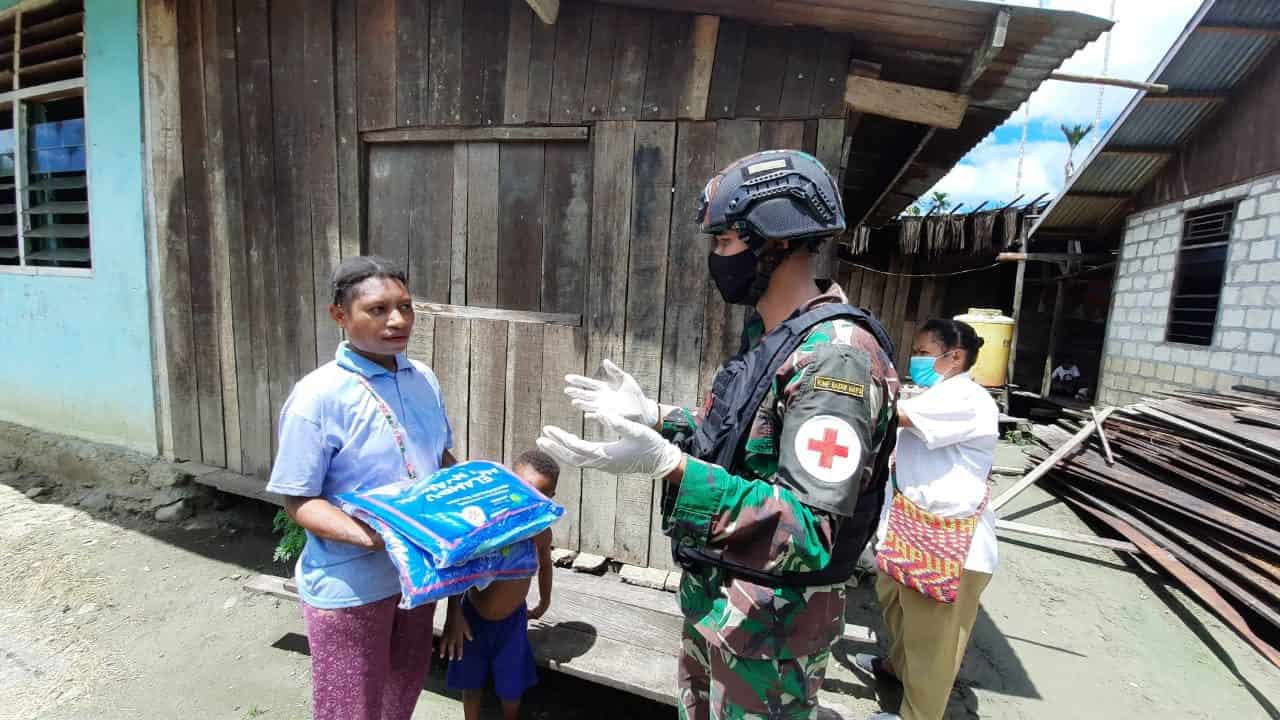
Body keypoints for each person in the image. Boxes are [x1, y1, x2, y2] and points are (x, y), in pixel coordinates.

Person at [537, 150, 900, 720]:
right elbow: (739, 442)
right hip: (724, 609)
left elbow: (808, 530)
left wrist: (672, 467)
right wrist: (658, 417)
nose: (716, 258)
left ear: (774, 241)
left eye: (726, 242)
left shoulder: (835, 360)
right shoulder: (775, 337)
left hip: (772, 635)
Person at [265, 255, 455, 720]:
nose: (398, 321)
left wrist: (478, 495)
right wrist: (373, 537)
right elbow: (300, 500)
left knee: (399, 698)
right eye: (378, 309)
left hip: (419, 579)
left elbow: (441, 458)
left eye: (406, 307)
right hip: (352, 586)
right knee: (351, 709)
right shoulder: (318, 397)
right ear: (340, 315)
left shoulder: (422, 379)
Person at [857, 319, 999, 720]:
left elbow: (891, 415)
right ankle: (898, 670)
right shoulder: (932, 393)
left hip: (953, 546)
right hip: (912, 531)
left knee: (933, 644)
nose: (914, 360)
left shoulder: (966, 399)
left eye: (922, 353)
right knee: (897, 605)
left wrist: (841, 387)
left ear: (954, 357)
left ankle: (917, 714)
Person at [442, 449, 559, 720]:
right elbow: (459, 566)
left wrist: (544, 602)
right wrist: (455, 614)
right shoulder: (485, 524)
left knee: (511, 688)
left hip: (512, 625)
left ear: (550, 498)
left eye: (538, 494)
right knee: (470, 684)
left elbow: (545, 564)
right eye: (520, 488)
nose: (526, 500)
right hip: (471, 621)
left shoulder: (541, 532)